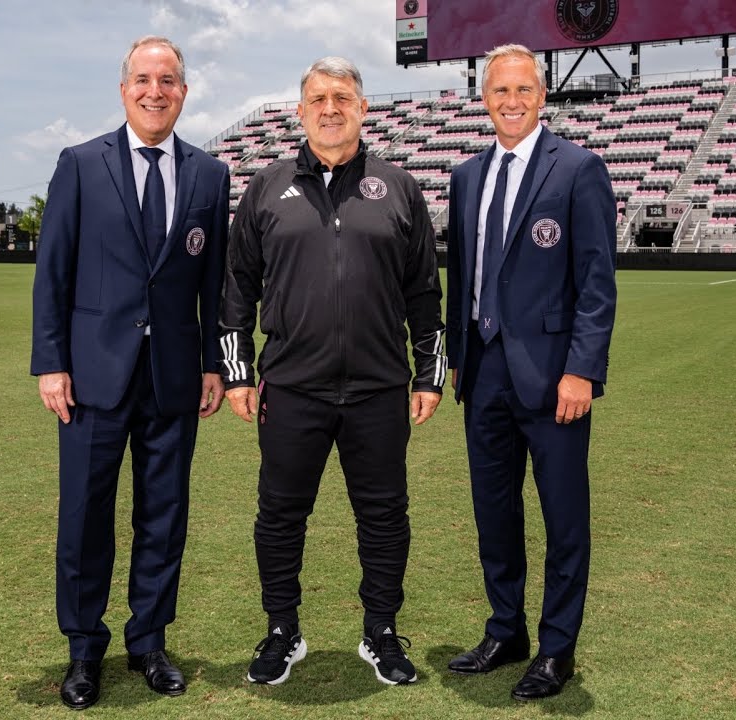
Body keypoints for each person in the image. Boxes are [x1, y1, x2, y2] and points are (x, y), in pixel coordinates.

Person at [220, 56, 447, 688]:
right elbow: (238, 285)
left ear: (362, 108)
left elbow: (424, 293)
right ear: (300, 111)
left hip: (378, 388)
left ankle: (380, 630)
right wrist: (237, 371)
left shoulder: (398, 187)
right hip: (291, 389)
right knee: (280, 515)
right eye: (318, 98)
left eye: (342, 97)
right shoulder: (266, 188)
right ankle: (281, 629)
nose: (330, 108)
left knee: (384, 515)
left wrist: (429, 374)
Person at [30, 35, 229, 710]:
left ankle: (149, 642)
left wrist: (212, 366)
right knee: (85, 516)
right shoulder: (81, 164)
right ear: (124, 90)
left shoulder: (210, 175)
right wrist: (51, 361)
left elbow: (212, 283)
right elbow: (52, 270)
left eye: (167, 80)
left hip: (173, 376)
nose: (155, 91)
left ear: (183, 92)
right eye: (143, 79)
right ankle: (84, 651)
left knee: (164, 515)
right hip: (90, 377)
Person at [443, 44, 617, 701]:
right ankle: (504, 629)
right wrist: (459, 356)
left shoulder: (577, 169)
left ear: (542, 96)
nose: (511, 101)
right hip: (483, 371)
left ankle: (557, 648)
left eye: (522, 90)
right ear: (484, 98)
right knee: (495, 513)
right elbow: (462, 275)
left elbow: (596, 286)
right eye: (499, 91)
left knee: (563, 516)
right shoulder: (465, 176)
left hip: (553, 378)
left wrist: (582, 370)